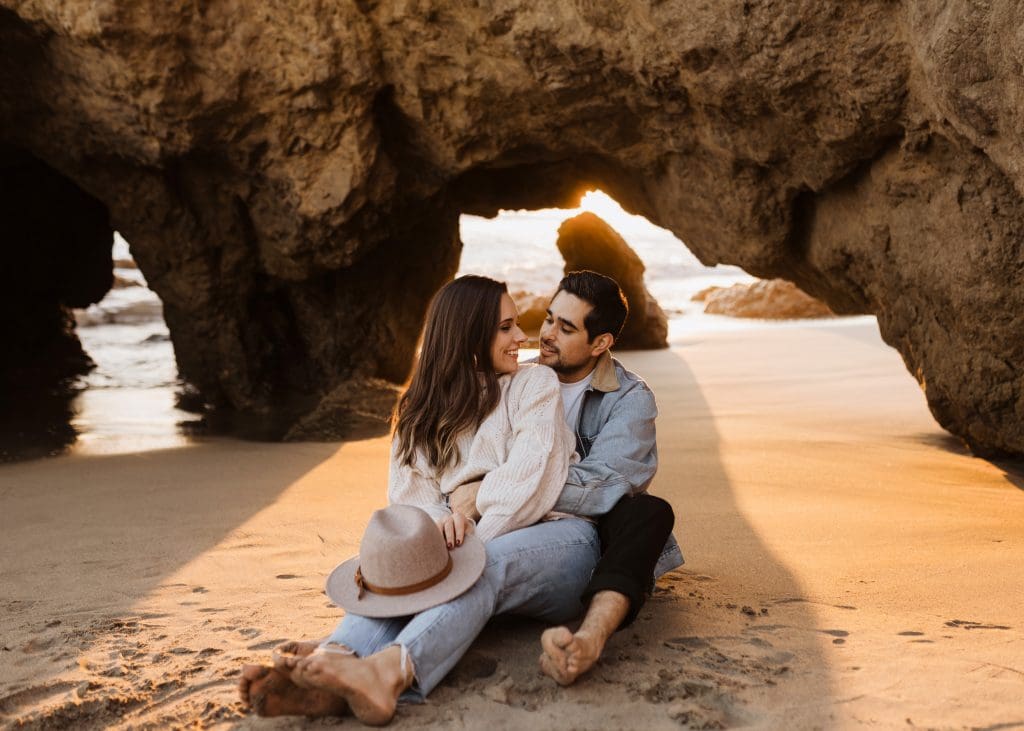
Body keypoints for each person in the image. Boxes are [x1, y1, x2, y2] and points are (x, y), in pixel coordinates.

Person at [238, 274, 601, 724]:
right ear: (469, 335)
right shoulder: (418, 412)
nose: (521, 337)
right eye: (505, 327)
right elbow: (411, 504)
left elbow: (530, 481)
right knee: (403, 571)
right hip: (467, 543)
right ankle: (333, 665)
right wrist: (439, 533)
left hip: (558, 540)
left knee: (477, 568)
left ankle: (387, 673)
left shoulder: (533, 385)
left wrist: (466, 527)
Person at [450, 270, 682, 686]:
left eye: (566, 327)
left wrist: (502, 488)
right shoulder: (513, 379)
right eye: (549, 318)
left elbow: (607, 487)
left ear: (601, 343)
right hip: (508, 520)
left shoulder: (630, 399)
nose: (547, 334)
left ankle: (589, 639)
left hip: (591, 530)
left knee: (649, 513)